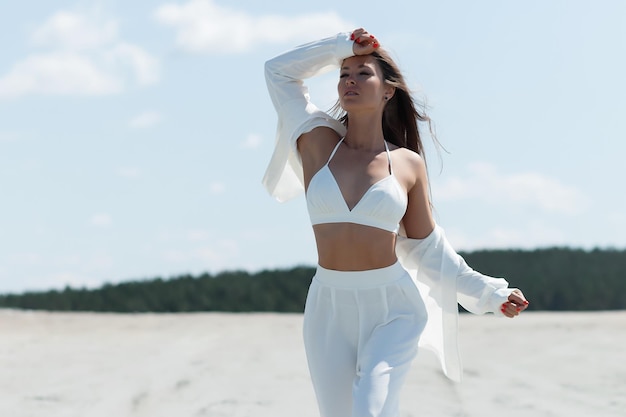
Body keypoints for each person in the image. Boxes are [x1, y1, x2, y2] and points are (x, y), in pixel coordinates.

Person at [262, 28, 529, 417]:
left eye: (363, 73)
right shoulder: (315, 142)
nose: (349, 80)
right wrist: (343, 46)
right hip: (328, 307)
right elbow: (278, 72)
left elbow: (428, 249)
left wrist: (490, 293)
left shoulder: (405, 163)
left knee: (370, 408)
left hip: (392, 308)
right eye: (343, 74)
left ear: (388, 91)